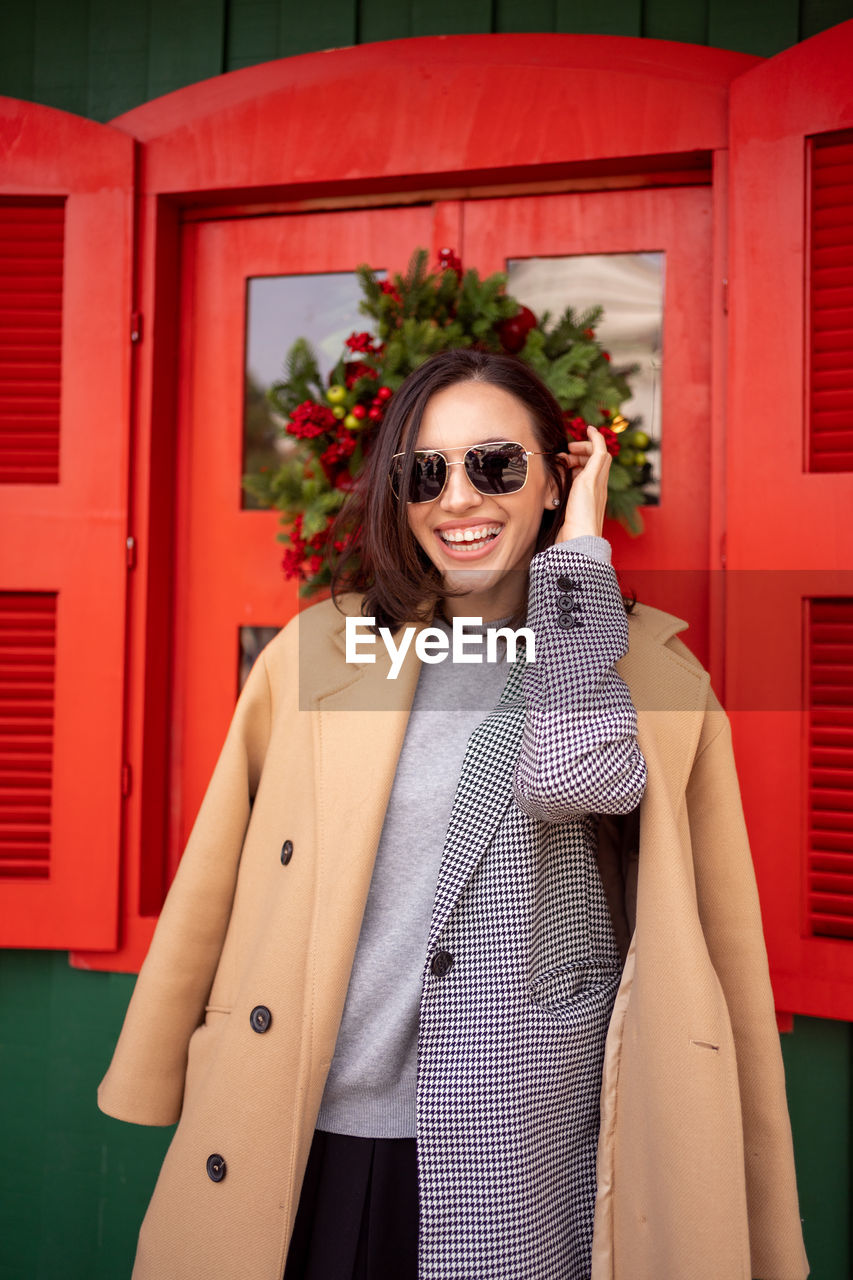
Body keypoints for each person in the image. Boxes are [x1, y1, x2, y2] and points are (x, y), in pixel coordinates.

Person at [99, 349, 808, 1280]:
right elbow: (219, 877)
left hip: (514, 1139)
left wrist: (578, 566)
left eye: (496, 465)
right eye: (424, 472)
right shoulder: (319, 650)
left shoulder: (648, 678)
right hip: (301, 1123)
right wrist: (158, 1064)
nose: (458, 499)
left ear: (557, 478)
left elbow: (578, 776)